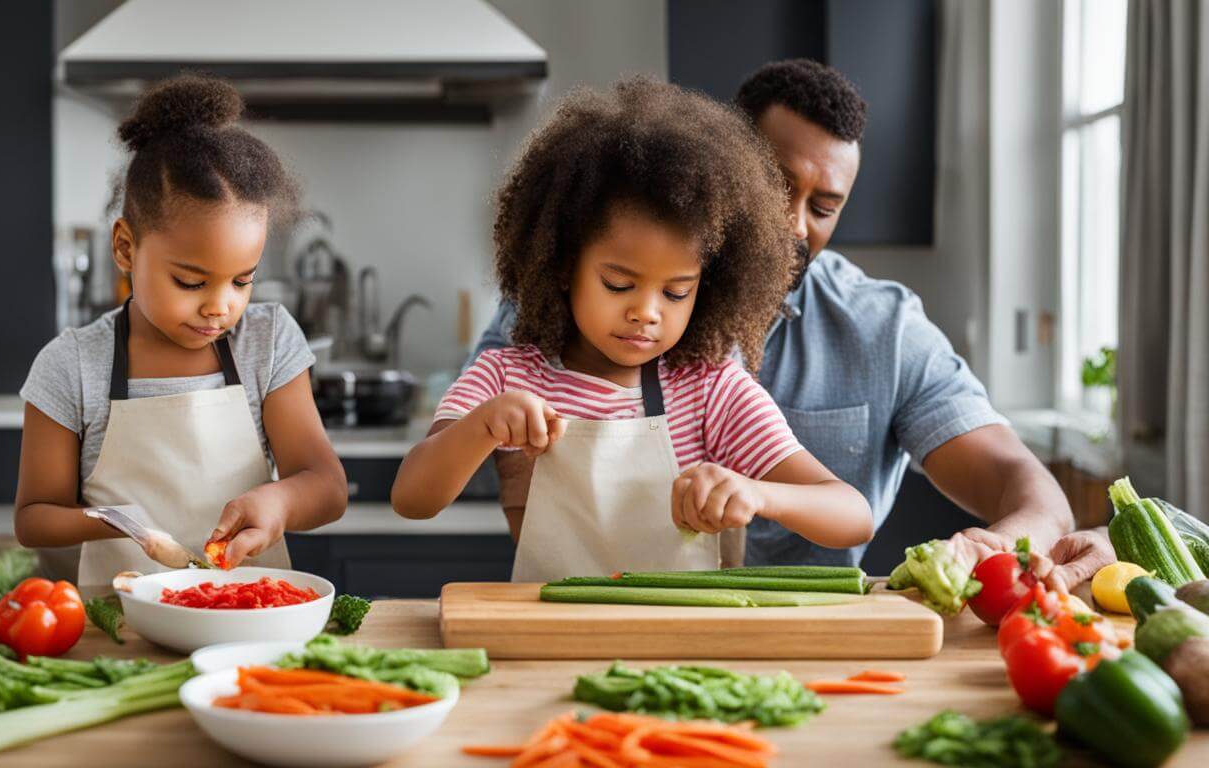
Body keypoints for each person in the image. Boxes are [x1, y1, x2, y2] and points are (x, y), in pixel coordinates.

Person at [474, 60, 1114, 590]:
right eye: (776, 186)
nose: (793, 226)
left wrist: (991, 544)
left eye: (825, 205)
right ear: (720, 163)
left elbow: (1028, 488)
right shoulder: (568, 304)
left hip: (820, 643)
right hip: (606, 616)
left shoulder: (884, 328)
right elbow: (481, 471)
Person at [391, 78, 872, 582]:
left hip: (683, 647)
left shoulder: (711, 391)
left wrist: (759, 493)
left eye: (676, 292)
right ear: (561, 265)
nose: (647, 312)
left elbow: (851, 515)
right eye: (619, 284)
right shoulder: (504, 377)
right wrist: (481, 426)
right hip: (553, 644)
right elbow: (412, 500)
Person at [14, 75, 348, 588]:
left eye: (243, 280)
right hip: (120, 623)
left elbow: (327, 487)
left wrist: (278, 500)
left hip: (247, 609)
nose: (220, 306)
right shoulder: (73, 363)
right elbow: (34, 517)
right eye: (190, 282)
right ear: (126, 248)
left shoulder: (267, 340)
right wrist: (117, 520)